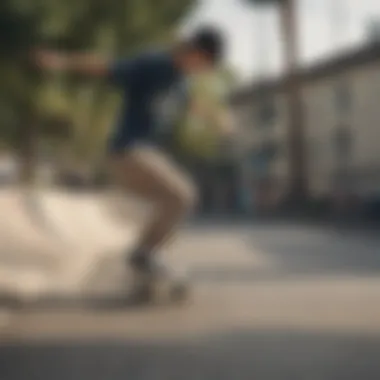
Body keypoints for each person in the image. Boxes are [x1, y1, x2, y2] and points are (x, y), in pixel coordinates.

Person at [34, 26, 234, 284]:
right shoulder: (154, 64)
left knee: (170, 204)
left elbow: (190, 104)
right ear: (195, 52)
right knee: (183, 196)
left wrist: (215, 117)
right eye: (205, 64)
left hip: (142, 155)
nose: (203, 71)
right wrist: (61, 61)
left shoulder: (180, 81)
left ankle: (146, 261)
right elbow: (106, 66)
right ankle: (143, 255)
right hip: (129, 152)